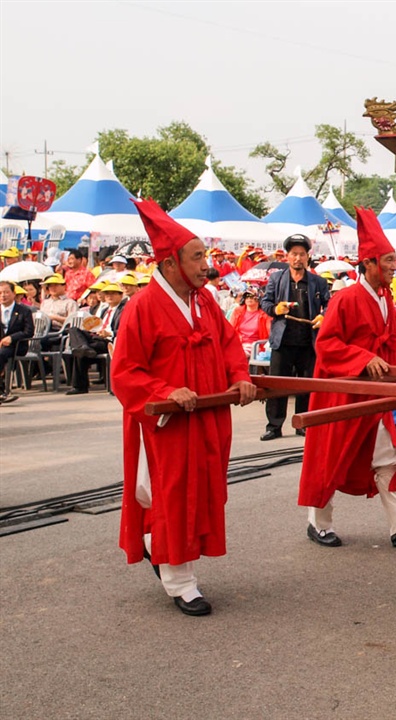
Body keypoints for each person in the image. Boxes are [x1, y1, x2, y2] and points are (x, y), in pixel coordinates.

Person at [112, 199, 256, 617]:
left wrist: (239, 376)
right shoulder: (142, 306)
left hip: (208, 417)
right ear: (171, 263)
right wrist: (165, 390)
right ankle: (180, 581)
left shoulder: (205, 301)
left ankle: (161, 548)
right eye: (197, 257)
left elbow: (229, 343)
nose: (205, 265)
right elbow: (125, 372)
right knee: (172, 494)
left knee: (201, 490)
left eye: (205, 256)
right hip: (166, 424)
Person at [297, 208, 396, 550]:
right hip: (343, 396)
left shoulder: (386, 299)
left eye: (393, 260)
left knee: (388, 456)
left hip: (374, 395)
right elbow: (326, 344)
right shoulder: (345, 298)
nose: (393, 266)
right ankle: (318, 522)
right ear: (370, 263)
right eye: (387, 260)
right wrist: (363, 358)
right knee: (330, 457)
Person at [260, 234, 330, 440]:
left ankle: (303, 423)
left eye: (301, 254)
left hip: (308, 340)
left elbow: (330, 304)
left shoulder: (317, 282)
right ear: (287, 257)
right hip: (283, 340)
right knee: (277, 385)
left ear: (308, 257)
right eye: (294, 254)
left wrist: (323, 316)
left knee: (306, 384)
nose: (298, 258)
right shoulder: (276, 279)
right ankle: (274, 426)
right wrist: (275, 309)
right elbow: (265, 302)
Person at [65, 282, 128, 395]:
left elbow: (127, 329)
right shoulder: (104, 310)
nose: (109, 296)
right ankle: (83, 347)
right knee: (74, 330)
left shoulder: (124, 310)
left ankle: (80, 385)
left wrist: (109, 333)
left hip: (110, 340)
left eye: (113, 293)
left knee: (80, 351)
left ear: (120, 295)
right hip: (97, 337)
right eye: (107, 294)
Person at [0, 280, 36, 404]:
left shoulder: (24, 310)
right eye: (0, 293)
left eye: (6, 292)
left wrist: (12, 338)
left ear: (14, 294)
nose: (3, 295)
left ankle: (1, 391)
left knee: (1, 354)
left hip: (17, 345)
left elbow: (29, 331)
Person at [228, 289, 270, 355]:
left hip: (256, 345)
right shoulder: (237, 311)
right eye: (246, 296)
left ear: (258, 298)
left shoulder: (265, 314)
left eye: (252, 296)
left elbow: (269, 333)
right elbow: (230, 330)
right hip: (238, 344)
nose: (249, 298)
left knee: (239, 354)